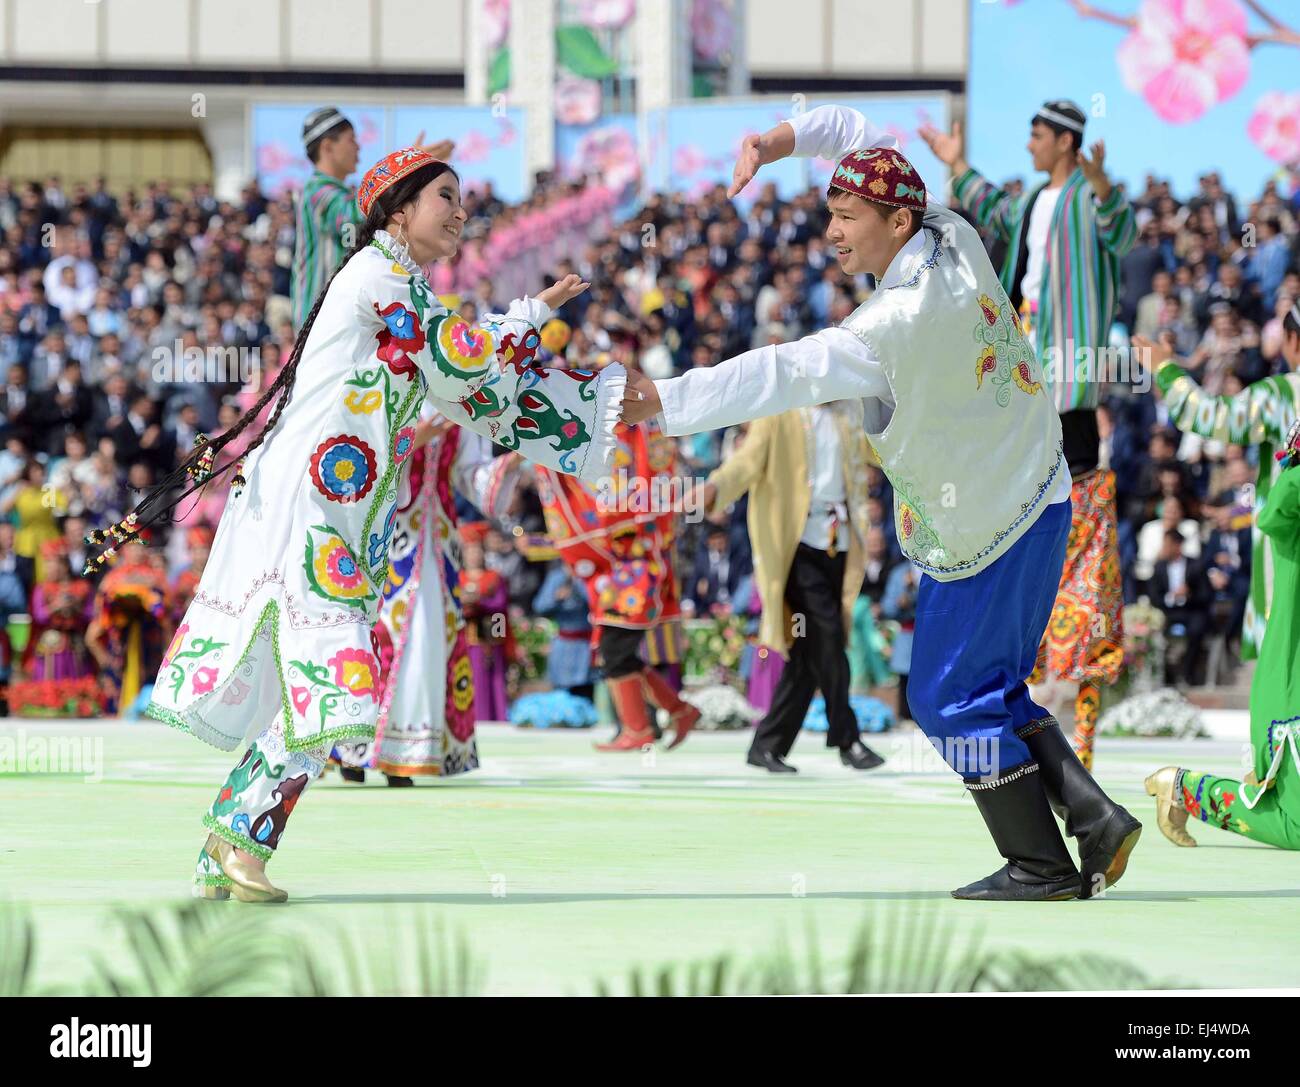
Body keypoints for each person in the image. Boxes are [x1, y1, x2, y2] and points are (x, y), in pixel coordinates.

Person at [625, 103, 1141, 901]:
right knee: (995, 687)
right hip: (1042, 497)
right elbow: (855, 133)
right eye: (830, 211)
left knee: (943, 702)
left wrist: (662, 397)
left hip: (986, 533)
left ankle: (1039, 864)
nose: (832, 231)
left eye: (847, 215)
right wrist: (775, 142)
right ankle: (1091, 815)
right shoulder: (952, 233)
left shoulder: (888, 325)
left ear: (896, 218)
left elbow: (775, 372)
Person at [88, 147, 627, 904]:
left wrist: (531, 352)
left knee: (314, 687)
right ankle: (242, 841)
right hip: (310, 513)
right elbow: (464, 362)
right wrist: (531, 317)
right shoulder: (380, 278)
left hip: (337, 516)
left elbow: (462, 393)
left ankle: (228, 843)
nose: (462, 212)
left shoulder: (401, 284)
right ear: (399, 209)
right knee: (339, 684)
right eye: (447, 196)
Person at [924, 100, 1136, 770]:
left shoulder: (1085, 199)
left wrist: (1102, 184)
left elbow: (1121, 230)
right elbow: (989, 205)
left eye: (1037, 134)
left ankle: (1069, 596)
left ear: (1067, 142)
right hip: (1026, 363)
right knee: (1026, 481)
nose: (1029, 143)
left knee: (1075, 482)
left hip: (1069, 365)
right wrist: (956, 164)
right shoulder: (1032, 204)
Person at [334, 409, 522, 783]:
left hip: (438, 541)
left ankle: (404, 749)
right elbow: (354, 459)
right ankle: (352, 747)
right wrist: (410, 441)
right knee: (376, 638)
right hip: (386, 536)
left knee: (427, 642)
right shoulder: (388, 386)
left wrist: (515, 458)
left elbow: (473, 477)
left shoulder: (459, 405)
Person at [696, 402, 883, 773]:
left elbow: (884, 450)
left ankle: (768, 745)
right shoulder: (779, 415)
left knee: (807, 652)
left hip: (839, 543)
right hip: (795, 546)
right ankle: (848, 740)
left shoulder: (850, 417)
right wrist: (715, 487)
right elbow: (747, 461)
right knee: (828, 636)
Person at [1146, 419, 1300, 849]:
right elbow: (1275, 510)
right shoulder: (1290, 506)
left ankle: (1182, 790)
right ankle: (1184, 788)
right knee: (1297, 825)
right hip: (1292, 682)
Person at [1132, 304, 1300, 660]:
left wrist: (1165, 369)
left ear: (1292, 342)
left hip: (1289, 557)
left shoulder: (1284, 395)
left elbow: (1210, 416)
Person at [291, 107, 453, 329]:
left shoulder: (335, 191)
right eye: (351, 140)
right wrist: (403, 172)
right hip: (320, 321)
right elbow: (356, 216)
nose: (358, 146)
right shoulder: (317, 193)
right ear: (327, 146)